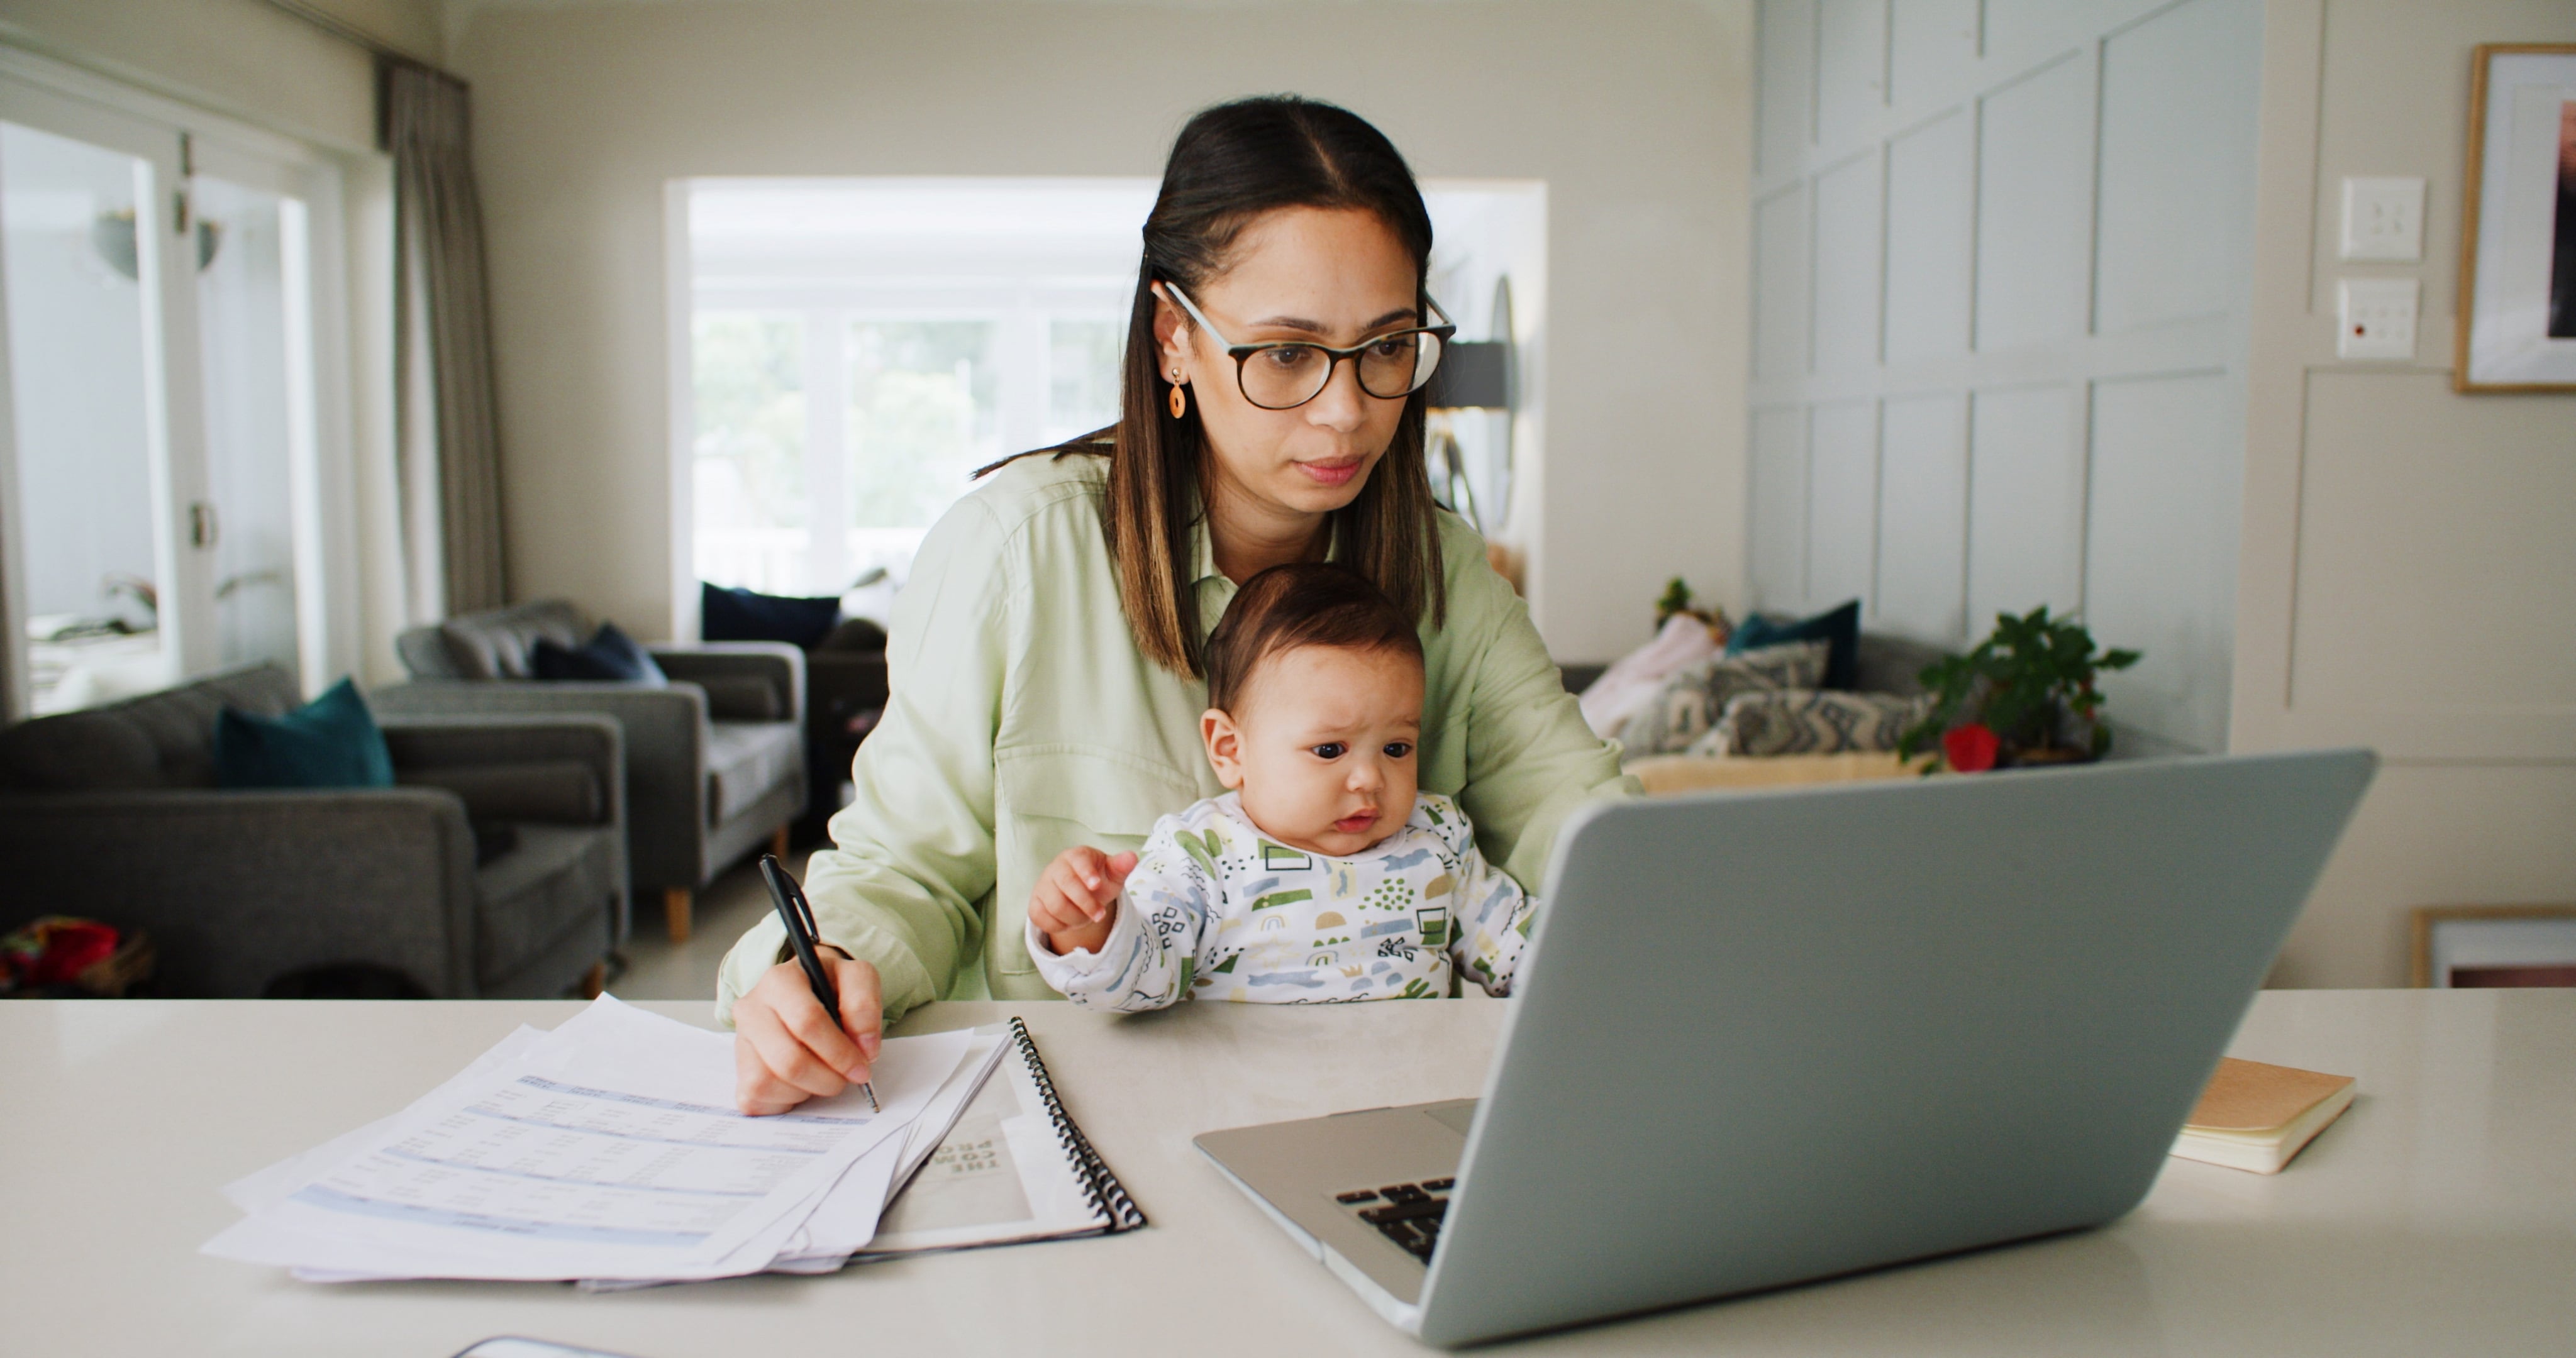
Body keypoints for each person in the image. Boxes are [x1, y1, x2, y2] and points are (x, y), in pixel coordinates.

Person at [720, 95, 1631, 1117]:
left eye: (1386, 347)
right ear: (1172, 340)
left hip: (1375, 1116)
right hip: (1076, 1122)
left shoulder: (1448, 574)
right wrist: (826, 965)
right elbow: (904, 871)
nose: (1347, 409)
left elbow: (1579, 823)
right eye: (1286, 353)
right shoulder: (1014, 553)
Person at [1027, 562, 1536, 1009]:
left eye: (1397, 748)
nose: (1370, 779)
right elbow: (1139, 982)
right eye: (1330, 750)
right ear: (1230, 750)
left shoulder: (1437, 838)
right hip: (1251, 1100)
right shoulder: (1204, 856)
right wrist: (1088, 923)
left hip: (1409, 1089)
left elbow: (1517, 947)